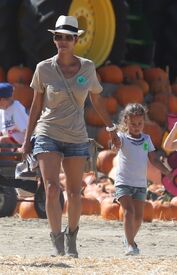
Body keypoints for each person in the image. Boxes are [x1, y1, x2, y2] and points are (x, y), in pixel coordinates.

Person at [21, 15, 120, 258]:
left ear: (76, 40)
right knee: (52, 189)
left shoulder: (87, 67)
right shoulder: (43, 68)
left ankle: (72, 237)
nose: (62, 41)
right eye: (58, 37)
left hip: (76, 135)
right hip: (47, 133)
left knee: (75, 194)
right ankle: (56, 240)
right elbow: (35, 106)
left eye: (67, 37)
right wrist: (26, 140)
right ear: (54, 39)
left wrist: (111, 128)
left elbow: (96, 100)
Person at [114, 103, 172, 256]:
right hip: (123, 182)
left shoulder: (146, 139)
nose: (136, 127)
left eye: (140, 123)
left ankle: (128, 239)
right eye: (133, 124)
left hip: (140, 184)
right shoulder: (121, 138)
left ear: (143, 122)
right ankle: (131, 245)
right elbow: (114, 146)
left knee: (139, 217)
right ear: (126, 121)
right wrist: (113, 142)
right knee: (129, 212)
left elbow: (153, 159)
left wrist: (168, 172)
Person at [0, 82, 28, 151]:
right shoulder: (2, 110)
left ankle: (7, 160)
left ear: (4, 100)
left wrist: (26, 145)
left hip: (21, 143)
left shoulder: (16, 108)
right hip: (10, 140)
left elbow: (26, 129)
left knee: (2, 140)